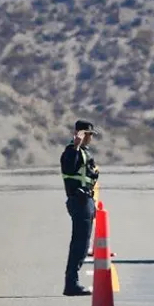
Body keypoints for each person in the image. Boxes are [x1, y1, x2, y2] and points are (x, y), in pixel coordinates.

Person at [60, 119, 101, 296]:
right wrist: (76, 146)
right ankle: (71, 283)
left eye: (90, 135)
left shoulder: (84, 152)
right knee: (79, 243)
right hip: (79, 200)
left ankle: (72, 282)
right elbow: (69, 167)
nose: (90, 138)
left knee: (83, 243)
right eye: (88, 134)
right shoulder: (71, 151)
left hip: (86, 201)